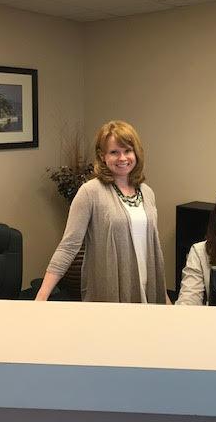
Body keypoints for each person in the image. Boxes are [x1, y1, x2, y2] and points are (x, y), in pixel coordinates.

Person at [36, 120, 170, 304]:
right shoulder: (90, 192)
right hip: (110, 292)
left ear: (136, 153)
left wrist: (164, 296)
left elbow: (150, 247)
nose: (122, 158)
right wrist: (42, 296)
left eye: (128, 151)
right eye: (114, 152)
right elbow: (69, 246)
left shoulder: (147, 192)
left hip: (148, 290)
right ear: (102, 156)